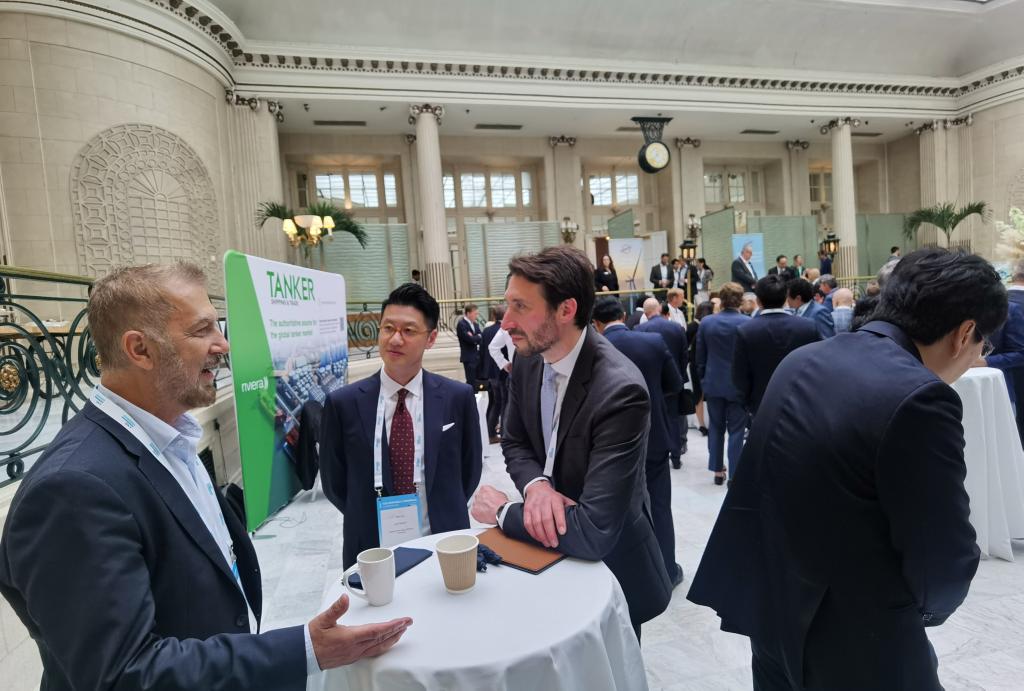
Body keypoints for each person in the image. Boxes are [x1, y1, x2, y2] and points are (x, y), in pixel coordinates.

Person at [0, 263, 413, 691]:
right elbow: (125, 674)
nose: (223, 344)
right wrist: (306, 650)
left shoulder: (168, 436)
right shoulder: (71, 490)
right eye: (202, 330)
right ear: (140, 349)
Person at [688, 248, 1006, 691]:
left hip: (775, 612)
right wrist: (930, 610)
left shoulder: (803, 359)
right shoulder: (920, 396)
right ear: (965, 332)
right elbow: (942, 552)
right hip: (861, 638)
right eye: (982, 345)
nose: (976, 357)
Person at [470, 246, 672, 635]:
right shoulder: (529, 357)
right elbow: (515, 440)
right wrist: (537, 487)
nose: (506, 322)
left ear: (566, 310)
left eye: (520, 307)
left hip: (610, 571)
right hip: (544, 561)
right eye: (507, 305)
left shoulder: (620, 391)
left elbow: (594, 530)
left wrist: (503, 512)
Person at [320, 283, 483, 569]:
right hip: (372, 548)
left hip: (443, 542)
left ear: (431, 338)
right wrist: (364, 514)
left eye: (408, 331)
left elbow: (469, 472)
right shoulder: (343, 403)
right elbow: (335, 483)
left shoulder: (457, 397)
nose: (395, 339)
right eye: (388, 328)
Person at [593, 297, 685, 587]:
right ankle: (667, 569)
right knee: (660, 505)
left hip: (606, 443)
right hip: (653, 435)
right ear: (624, 315)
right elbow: (675, 384)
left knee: (613, 507)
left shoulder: (591, 350)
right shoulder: (653, 342)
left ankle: (624, 576)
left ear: (596, 323)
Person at [732, 275, 820, 418]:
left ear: (758, 301)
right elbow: (817, 367)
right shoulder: (808, 327)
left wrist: (748, 405)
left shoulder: (746, 331)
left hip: (762, 405)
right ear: (786, 298)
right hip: (801, 402)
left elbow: (740, 375)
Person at [696, 282, 749, 485]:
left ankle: (717, 471)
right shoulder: (747, 322)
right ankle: (735, 475)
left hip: (713, 382)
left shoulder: (707, 322)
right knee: (737, 431)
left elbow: (700, 357)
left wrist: (704, 380)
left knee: (716, 427)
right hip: (739, 385)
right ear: (740, 300)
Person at [637, 296, 691, 465]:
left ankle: (656, 452)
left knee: (653, 417)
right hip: (673, 381)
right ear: (659, 309)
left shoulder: (639, 329)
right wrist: (679, 375)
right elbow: (684, 355)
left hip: (651, 381)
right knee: (673, 418)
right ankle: (676, 455)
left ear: (645, 313)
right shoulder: (676, 328)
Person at [479, 305, 507, 443]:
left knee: (494, 402)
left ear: (494, 316)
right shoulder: (504, 330)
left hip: (490, 373)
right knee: (504, 403)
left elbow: (482, 352)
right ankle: (502, 432)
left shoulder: (486, 331)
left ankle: (489, 432)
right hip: (503, 372)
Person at [688, 301, 714, 438]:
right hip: (703, 364)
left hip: (696, 363)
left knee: (699, 394)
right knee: (700, 394)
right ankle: (702, 424)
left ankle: (702, 424)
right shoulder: (698, 326)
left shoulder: (694, 326)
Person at [456, 304, 482, 386]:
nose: (476, 316)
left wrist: (475, 337)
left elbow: (481, 336)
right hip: (469, 357)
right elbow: (469, 339)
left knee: (479, 382)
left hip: (477, 356)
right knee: (471, 381)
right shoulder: (462, 324)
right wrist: (477, 337)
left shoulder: (475, 324)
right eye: (475, 314)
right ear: (468, 313)